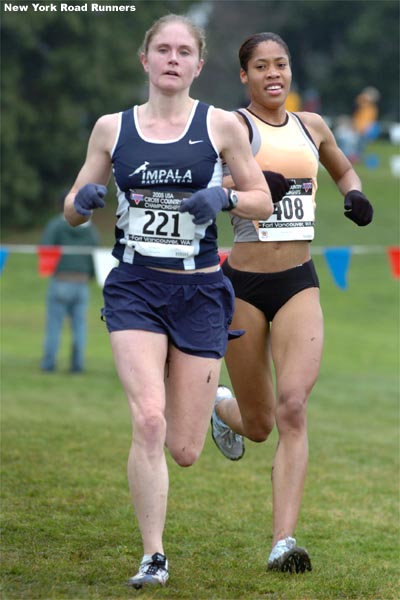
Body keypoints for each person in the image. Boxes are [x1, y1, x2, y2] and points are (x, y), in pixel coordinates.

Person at [64, 14, 273, 589]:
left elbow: (261, 199)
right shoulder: (112, 128)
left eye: (184, 50)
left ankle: (210, 403)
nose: (173, 58)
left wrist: (223, 196)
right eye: (163, 49)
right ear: (146, 59)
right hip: (134, 286)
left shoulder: (222, 126)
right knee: (148, 421)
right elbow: (71, 208)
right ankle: (153, 554)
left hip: (201, 291)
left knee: (182, 449)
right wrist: (84, 200)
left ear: (198, 65)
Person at [210, 32, 374, 574]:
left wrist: (352, 191)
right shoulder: (231, 126)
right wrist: (253, 185)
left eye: (281, 64)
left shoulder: (313, 126)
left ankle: (283, 542)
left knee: (294, 408)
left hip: (298, 281)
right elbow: (212, 185)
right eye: (261, 66)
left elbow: (341, 166)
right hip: (244, 287)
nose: (273, 74)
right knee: (259, 425)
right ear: (245, 75)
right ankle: (221, 408)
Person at [40, 195, 100, 373]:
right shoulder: (91, 231)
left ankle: (49, 364)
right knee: (80, 327)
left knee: (54, 326)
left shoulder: (56, 225)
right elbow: (95, 258)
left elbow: (45, 248)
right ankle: (77, 365)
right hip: (82, 283)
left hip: (60, 281)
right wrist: (88, 275)